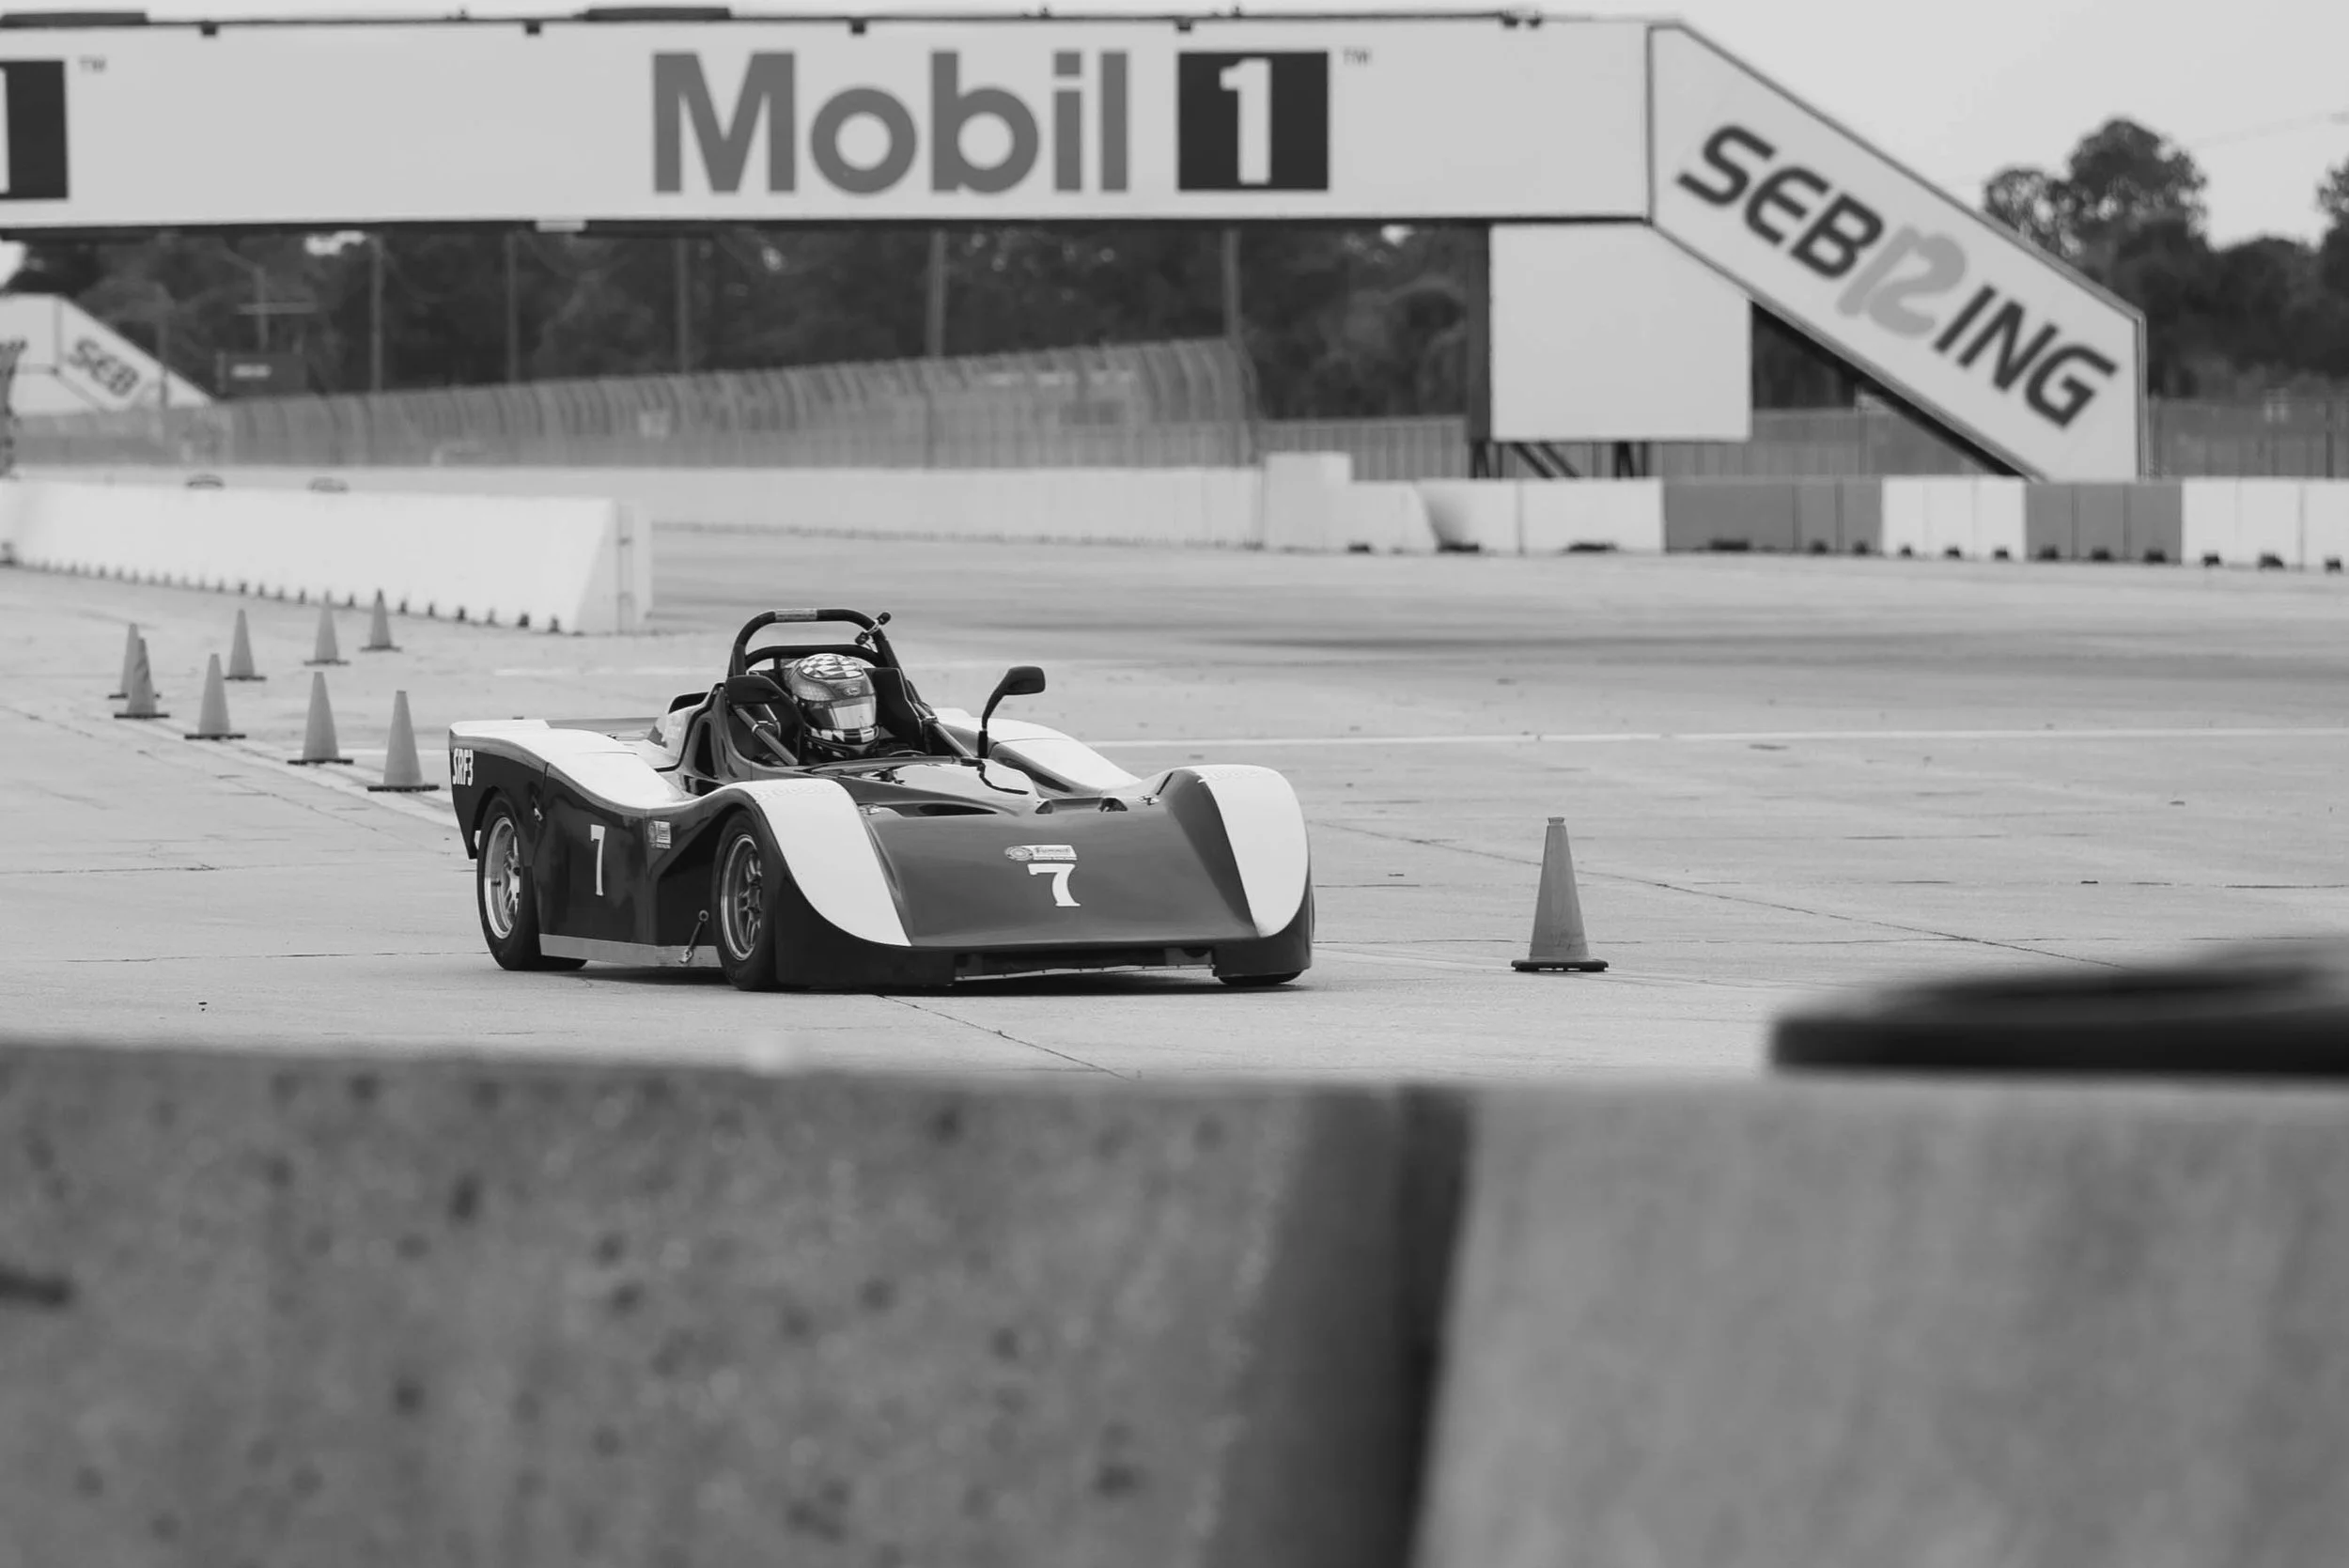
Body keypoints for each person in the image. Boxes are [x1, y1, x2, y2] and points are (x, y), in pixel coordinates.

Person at [779, 652, 922, 762]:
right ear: (801, 709)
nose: (853, 726)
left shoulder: (895, 751)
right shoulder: (778, 760)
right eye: (839, 713)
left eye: (859, 711)